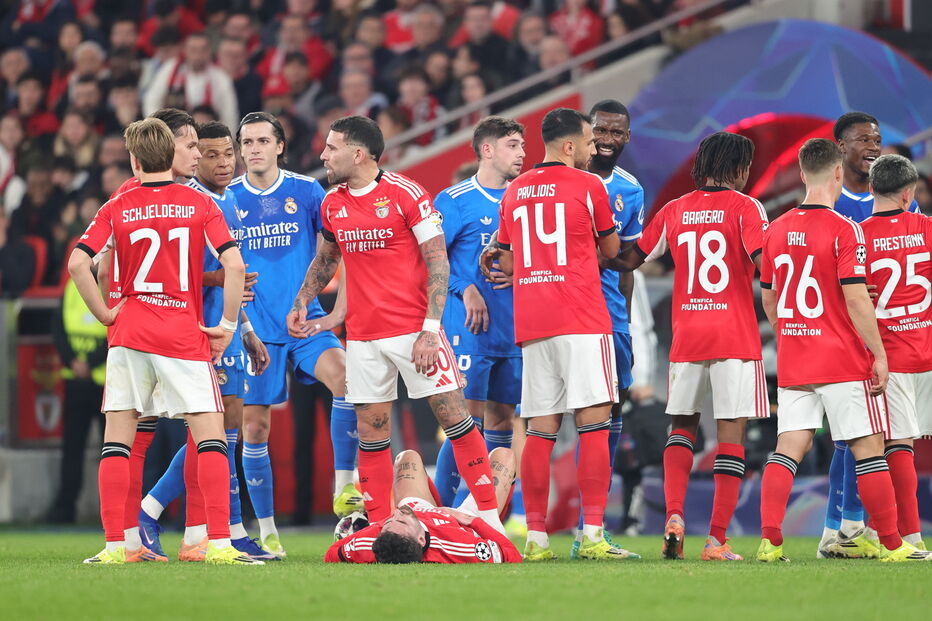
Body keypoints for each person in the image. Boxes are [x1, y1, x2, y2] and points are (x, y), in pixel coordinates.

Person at [287, 115, 506, 535]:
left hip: (414, 331)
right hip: (364, 337)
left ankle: (489, 518)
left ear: (358, 152)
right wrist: (303, 301)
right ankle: (380, 528)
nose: (323, 155)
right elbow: (327, 259)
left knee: (456, 421)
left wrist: (430, 328)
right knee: (371, 432)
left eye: (331, 148)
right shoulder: (333, 203)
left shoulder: (407, 194)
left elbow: (437, 260)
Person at [70, 117, 260, 565]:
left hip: (130, 331)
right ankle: (216, 544)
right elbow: (234, 267)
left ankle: (118, 547)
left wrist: (105, 313)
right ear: (169, 154)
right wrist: (229, 326)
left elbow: (81, 265)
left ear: (134, 160)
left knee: (118, 441)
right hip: (181, 331)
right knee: (211, 437)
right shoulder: (197, 203)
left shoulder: (116, 205)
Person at [756, 138, 930, 563]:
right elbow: (855, 300)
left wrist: (789, 333)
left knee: (787, 448)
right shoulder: (843, 229)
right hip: (840, 357)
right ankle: (894, 545)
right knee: (871, 449)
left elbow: (768, 297)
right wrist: (879, 354)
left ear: (801, 173)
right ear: (838, 173)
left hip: (797, 358)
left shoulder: (775, 228)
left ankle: (770, 541)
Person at [617, 132, 769, 561]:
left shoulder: (674, 210)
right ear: (738, 168)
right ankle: (717, 540)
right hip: (735, 337)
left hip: (687, 337)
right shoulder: (747, 207)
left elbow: (631, 260)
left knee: (681, 429)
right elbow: (766, 264)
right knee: (730, 436)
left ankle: (675, 516)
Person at [482, 107, 621, 560]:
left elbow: (503, 259)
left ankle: (536, 538)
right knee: (594, 424)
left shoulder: (514, 191)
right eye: (586, 141)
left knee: (540, 430)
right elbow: (611, 249)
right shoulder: (590, 185)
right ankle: (594, 535)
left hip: (534, 322)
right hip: (582, 318)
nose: (591, 149)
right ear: (568, 146)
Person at [136, 121, 276, 562]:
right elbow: (175, 275)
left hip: (228, 327)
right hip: (195, 329)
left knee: (224, 426)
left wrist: (248, 329)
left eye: (223, 154)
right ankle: (163, 514)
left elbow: (237, 281)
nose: (218, 161)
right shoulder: (183, 201)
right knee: (213, 428)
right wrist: (216, 278)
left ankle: (208, 529)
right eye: (204, 151)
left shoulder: (227, 199)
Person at [229, 111, 352, 558]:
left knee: (347, 379)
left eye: (263, 140)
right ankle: (267, 531)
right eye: (247, 142)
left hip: (305, 323)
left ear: (280, 146)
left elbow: (340, 245)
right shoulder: (227, 199)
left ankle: (346, 486)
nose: (254, 149)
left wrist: (335, 310)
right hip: (254, 332)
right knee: (255, 429)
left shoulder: (306, 191)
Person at [95, 108, 203, 561]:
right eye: (191, 145)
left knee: (143, 434)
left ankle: (135, 536)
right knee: (203, 430)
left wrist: (110, 314)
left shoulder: (143, 194)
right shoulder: (166, 197)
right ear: (164, 146)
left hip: (139, 328)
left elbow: (96, 261)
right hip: (179, 330)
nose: (199, 154)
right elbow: (102, 263)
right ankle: (196, 536)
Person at [819, 111, 921, 557]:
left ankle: (863, 528)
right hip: (846, 335)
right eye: (863, 139)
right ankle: (841, 525)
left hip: (896, 338)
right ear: (841, 147)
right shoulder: (830, 203)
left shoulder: (900, 205)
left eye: (878, 137)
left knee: (873, 436)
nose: (873, 145)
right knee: (851, 436)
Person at [432, 117, 524, 513]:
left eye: (522, 145)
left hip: (515, 328)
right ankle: (442, 513)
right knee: (465, 422)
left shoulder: (524, 199)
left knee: (503, 421)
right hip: (468, 330)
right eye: (513, 145)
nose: (522, 153)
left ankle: (489, 517)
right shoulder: (453, 200)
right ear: (487, 150)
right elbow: (431, 259)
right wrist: (466, 288)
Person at [567, 99, 645, 559]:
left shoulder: (631, 190)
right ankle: (523, 524)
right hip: (560, 309)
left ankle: (588, 526)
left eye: (617, 133)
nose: (607, 140)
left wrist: (628, 322)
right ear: (585, 131)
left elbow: (627, 264)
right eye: (601, 131)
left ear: (627, 137)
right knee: (537, 418)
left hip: (609, 315)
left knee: (610, 412)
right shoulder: (563, 180)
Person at [857, 154, 930, 552]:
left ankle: (910, 535)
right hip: (926, 349)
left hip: (886, 353)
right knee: (906, 445)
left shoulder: (857, 235)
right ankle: (883, 531)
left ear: (870, 189)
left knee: (896, 444)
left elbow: (847, 296)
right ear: (909, 193)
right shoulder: (928, 229)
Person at [325, 448, 522, 564]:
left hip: (420, 511)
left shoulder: (378, 540)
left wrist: (388, 523)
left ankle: (438, 501)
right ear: (420, 539)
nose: (396, 514)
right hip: (461, 521)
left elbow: (331, 553)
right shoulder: (459, 547)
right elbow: (512, 554)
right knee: (504, 456)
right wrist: (473, 521)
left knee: (407, 457)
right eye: (401, 521)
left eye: (387, 523)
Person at [46, 275, 107, 524]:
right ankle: (65, 508)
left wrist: (87, 363)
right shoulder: (71, 288)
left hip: (105, 382)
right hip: (76, 380)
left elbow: (119, 330)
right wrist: (73, 362)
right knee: (72, 448)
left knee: (112, 450)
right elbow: (58, 329)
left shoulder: (112, 284)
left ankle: (113, 511)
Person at [143, 32, 240, 131]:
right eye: (193, 50)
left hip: (208, 136)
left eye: (203, 50)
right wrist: (158, 130)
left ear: (210, 51)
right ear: (185, 50)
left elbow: (229, 116)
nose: (198, 55)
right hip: (173, 133)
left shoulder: (221, 78)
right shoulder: (171, 69)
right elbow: (152, 101)